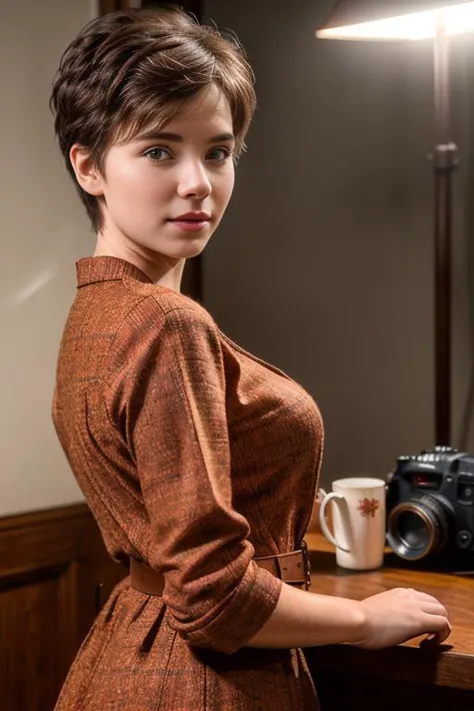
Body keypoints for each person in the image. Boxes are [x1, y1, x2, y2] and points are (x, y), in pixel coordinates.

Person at [50, 7, 451, 710]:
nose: (199, 182)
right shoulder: (163, 323)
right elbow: (215, 597)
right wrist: (363, 619)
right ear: (89, 165)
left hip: (129, 649)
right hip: (206, 678)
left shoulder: (96, 310)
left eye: (218, 151)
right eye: (158, 150)